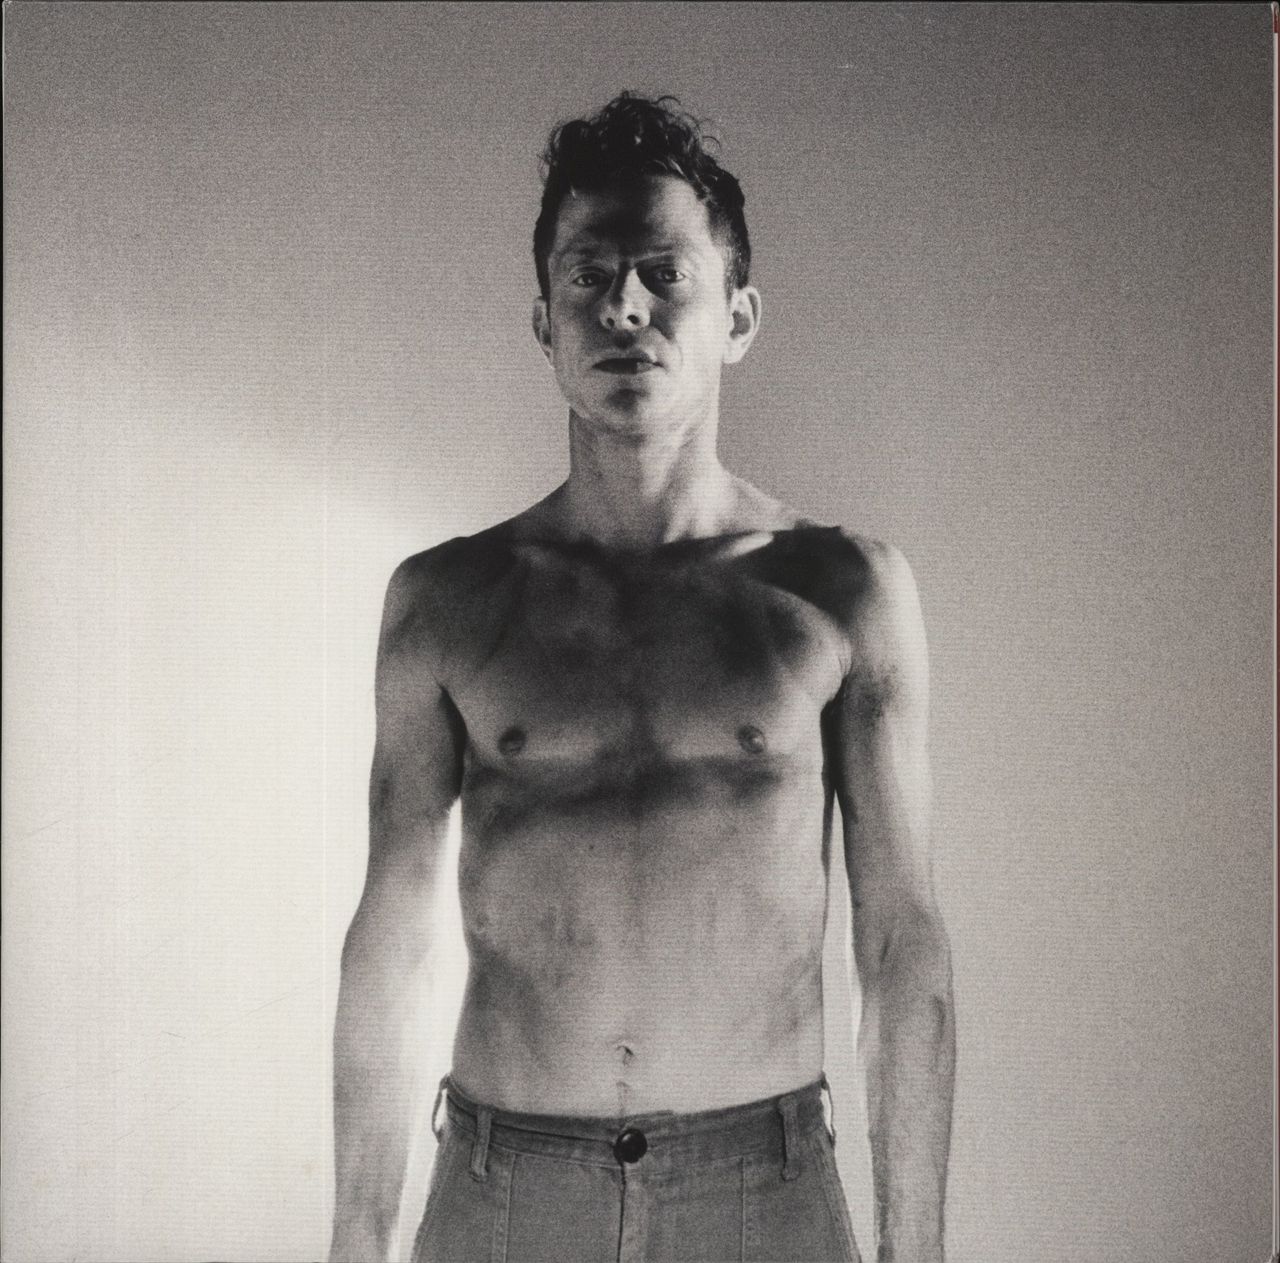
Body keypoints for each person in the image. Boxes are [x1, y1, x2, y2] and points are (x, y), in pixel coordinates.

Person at [329, 93, 955, 1263]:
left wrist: (912, 1248)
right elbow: (393, 933)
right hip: (506, 1192)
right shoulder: (446, 601)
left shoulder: (843, 592)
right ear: (543, 320)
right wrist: (355, 1238)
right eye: (588, 276)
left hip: (759, 1196)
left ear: (737, 317)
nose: (624, 307)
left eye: (664, 275)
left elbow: (898, 941)